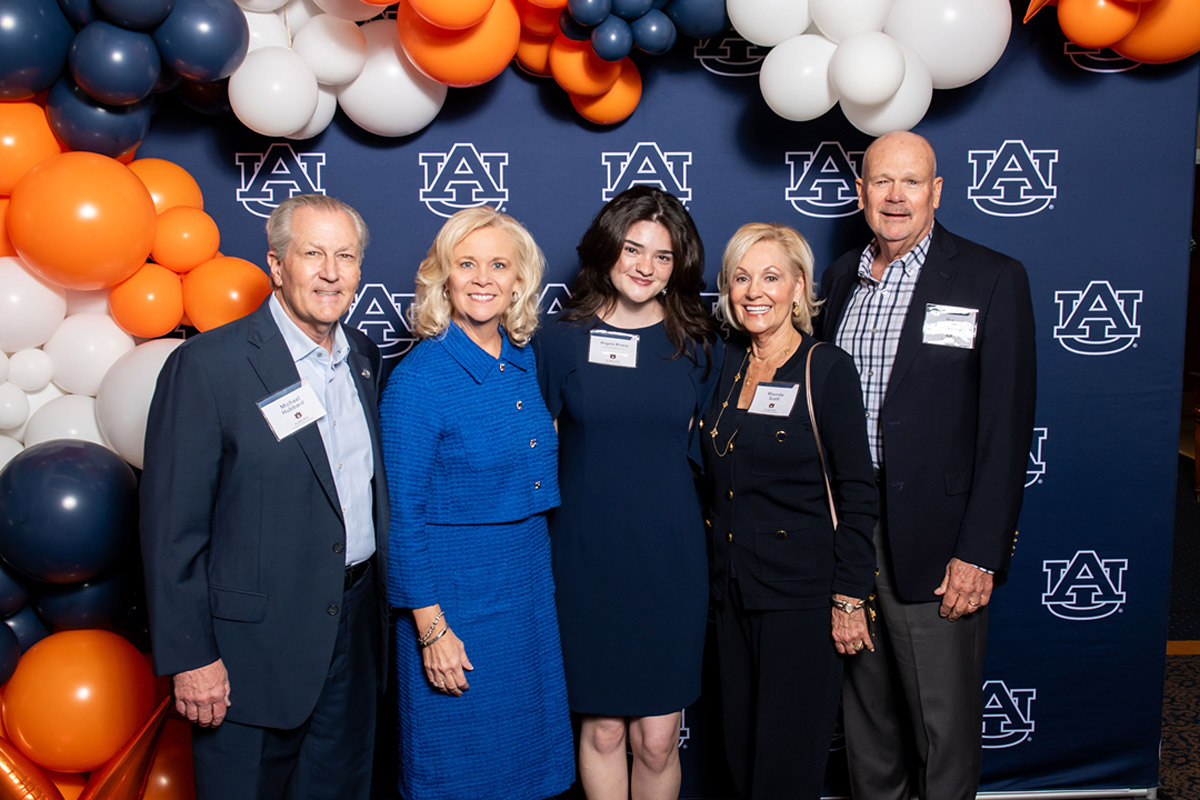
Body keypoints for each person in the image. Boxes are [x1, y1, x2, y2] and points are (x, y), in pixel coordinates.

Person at [139, 194, 389, 800]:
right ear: (277, 265)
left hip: (352, 634)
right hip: (248, 654)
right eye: (312, 254)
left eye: (346, 256)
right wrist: (192, 657)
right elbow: (171, 527)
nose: (330, 271)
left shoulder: (363, 358)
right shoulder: (208, 366)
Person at [819, 131, 1037, 800]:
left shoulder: (990, 277)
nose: (895, 196)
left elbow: (1007, 428)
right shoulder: (837, 280)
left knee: (942, 730)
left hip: (940, 540)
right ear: (861, 193)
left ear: (936, 192)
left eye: (910, 182)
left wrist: (981, 549)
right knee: (868, 721)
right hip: (852, 531)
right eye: (881, 182)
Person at [379, 206, 573, 800]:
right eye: (466, 264)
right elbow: (402, 517)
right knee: (459, 767)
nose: (483, 278)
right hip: (456, 602)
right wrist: (432, 629)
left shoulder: (521, 362)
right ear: (444, 276)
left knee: (527, 767)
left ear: (519, 280)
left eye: (498, 265)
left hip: (526, 594)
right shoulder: (419, 378)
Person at [535, 186, 721, 800]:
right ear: (608, 251)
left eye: (662, 257)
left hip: (670, 562)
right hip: (587, 560)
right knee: (606, 733)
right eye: (633, 249)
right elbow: (532, 451)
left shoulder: (698, 346)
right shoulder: (559, 341)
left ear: (677, 268)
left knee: (658, 740)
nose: (644, 266)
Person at [701, 222, 877, 800]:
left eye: (771, 277)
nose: (755, 292)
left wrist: (850, 596)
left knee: (785, 764)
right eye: (742, 278)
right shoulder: (722, 364)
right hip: (729, 595)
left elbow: (857, 491)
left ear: (799, 287)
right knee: (735, 756)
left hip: (800, 600)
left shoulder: (826, 368)